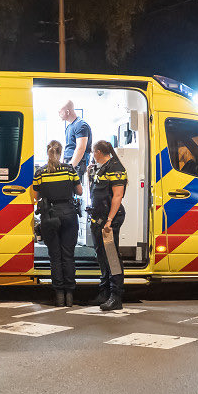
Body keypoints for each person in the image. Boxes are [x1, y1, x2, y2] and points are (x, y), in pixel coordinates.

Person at [31, 140, 82, 306]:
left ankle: (59, 295)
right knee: (68, 256)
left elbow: (35, 197)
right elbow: (79, 191)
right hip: (68, 214)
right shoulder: (69, 169)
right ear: (60, 153)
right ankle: (70, 296)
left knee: (55, 257)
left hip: (49, 217)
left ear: (48, 152)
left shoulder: (40, 172)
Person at [88, 140, 127, 311]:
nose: (92, 154)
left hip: (109, 219)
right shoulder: (101, 167)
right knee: (102, 257)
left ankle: (115, 297)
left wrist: (110, 220)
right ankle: (104, 293)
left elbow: (117, 196)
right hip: (98, 218)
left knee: (112, 257)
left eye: (93, 151)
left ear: (98, 151)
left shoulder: (116, 168)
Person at [59, 100, 92, 175]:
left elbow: (81, 148)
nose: (59, 114)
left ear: (67, 112)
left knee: (75, 186)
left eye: (60, 112)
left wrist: (71, 167)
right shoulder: (69, 126)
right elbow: (69, 147)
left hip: (77, 165)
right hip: (70, 163)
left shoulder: (81, 125)